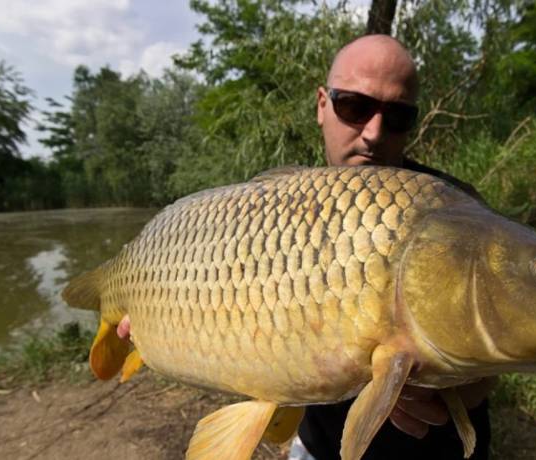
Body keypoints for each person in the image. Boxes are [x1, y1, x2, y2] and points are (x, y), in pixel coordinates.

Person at [116, 33, 494, 459]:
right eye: (354, 106)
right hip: (320, 444)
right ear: (322, 104)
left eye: (398, 115)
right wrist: (156, 320)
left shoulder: (455, 209)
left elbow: (494, 354)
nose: (374, 132)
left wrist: (459, 386)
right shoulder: (265, 209)